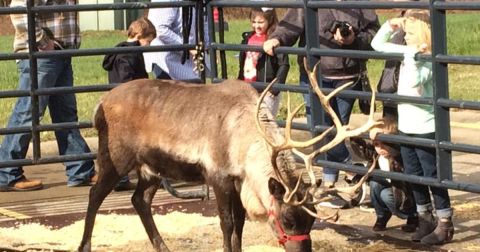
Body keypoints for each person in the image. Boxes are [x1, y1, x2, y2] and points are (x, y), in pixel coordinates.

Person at [263, 4, 380, 208]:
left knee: (337, 129)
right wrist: (277, 38)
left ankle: (330, 185)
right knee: (321, 128)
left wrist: (354, 39)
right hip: (313, 75)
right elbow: (290, 25)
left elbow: (374, 35)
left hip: (348, 76)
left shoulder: (360, 5)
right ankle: (353, 170)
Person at [371, 10, 454, 245]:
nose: (405, 38)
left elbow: (416, 83)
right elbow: (377, 44)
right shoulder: (408, 50)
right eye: (404, 33)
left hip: (425, 128)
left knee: (432, 176)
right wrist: (390, 25)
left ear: (421, 33)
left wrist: (413, 56)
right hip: (406, 127)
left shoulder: (429, 58)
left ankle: (445, 222)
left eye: (409, 33)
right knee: (414, 175)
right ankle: (424, 217)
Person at [0, 0, 96, 192]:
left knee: (65, 114)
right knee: (29, 112)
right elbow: (19, 10)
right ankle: (6, 172)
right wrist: (44, 42)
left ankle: (80, 170)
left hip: (59, 53)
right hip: (42, 55)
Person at [102, 17, 156, 191]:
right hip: (129, 102)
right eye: (149, 41)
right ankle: (120, 177)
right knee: (127, 142)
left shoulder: (117, 51)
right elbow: (128, 80)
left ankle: (119, 177)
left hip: (117, 100)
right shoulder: (131, 54)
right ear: (140, 36)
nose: (148, 45)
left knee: (118, 140)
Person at [361, 116, 418, 232]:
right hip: (389, 188)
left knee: (385, 195)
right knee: (375, 182)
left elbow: (397, 147)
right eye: (376, 144)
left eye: (385, 143)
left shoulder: (400, 155)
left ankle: (413, 216)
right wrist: (358, 135)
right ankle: (382, 216)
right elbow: (360, 147)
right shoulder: (376, 155)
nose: (380, 148)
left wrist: (385, 135)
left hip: (404, 198)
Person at [238, 7, 289, 116]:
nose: (257, 26)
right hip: (248, 88)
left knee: (265, 121)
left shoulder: (274, 40)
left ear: (269, 20)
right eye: (254, 22)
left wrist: (275, 89)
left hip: (266, 91)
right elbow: (242, 63)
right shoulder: (247, 39)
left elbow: (284, 64)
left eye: (261, 22)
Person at [144, 0, 208, 81]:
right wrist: (187, 47)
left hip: (188, 58)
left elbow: (205, 21)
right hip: (166, 58)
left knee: (195, 87)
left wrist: (208, 47)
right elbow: (160, 29)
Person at [377, 0, 420, 120]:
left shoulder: (421, 21)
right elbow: (377, 44)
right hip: (390, 86)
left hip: (409, 90)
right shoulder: (398, 20)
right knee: (390, 129)